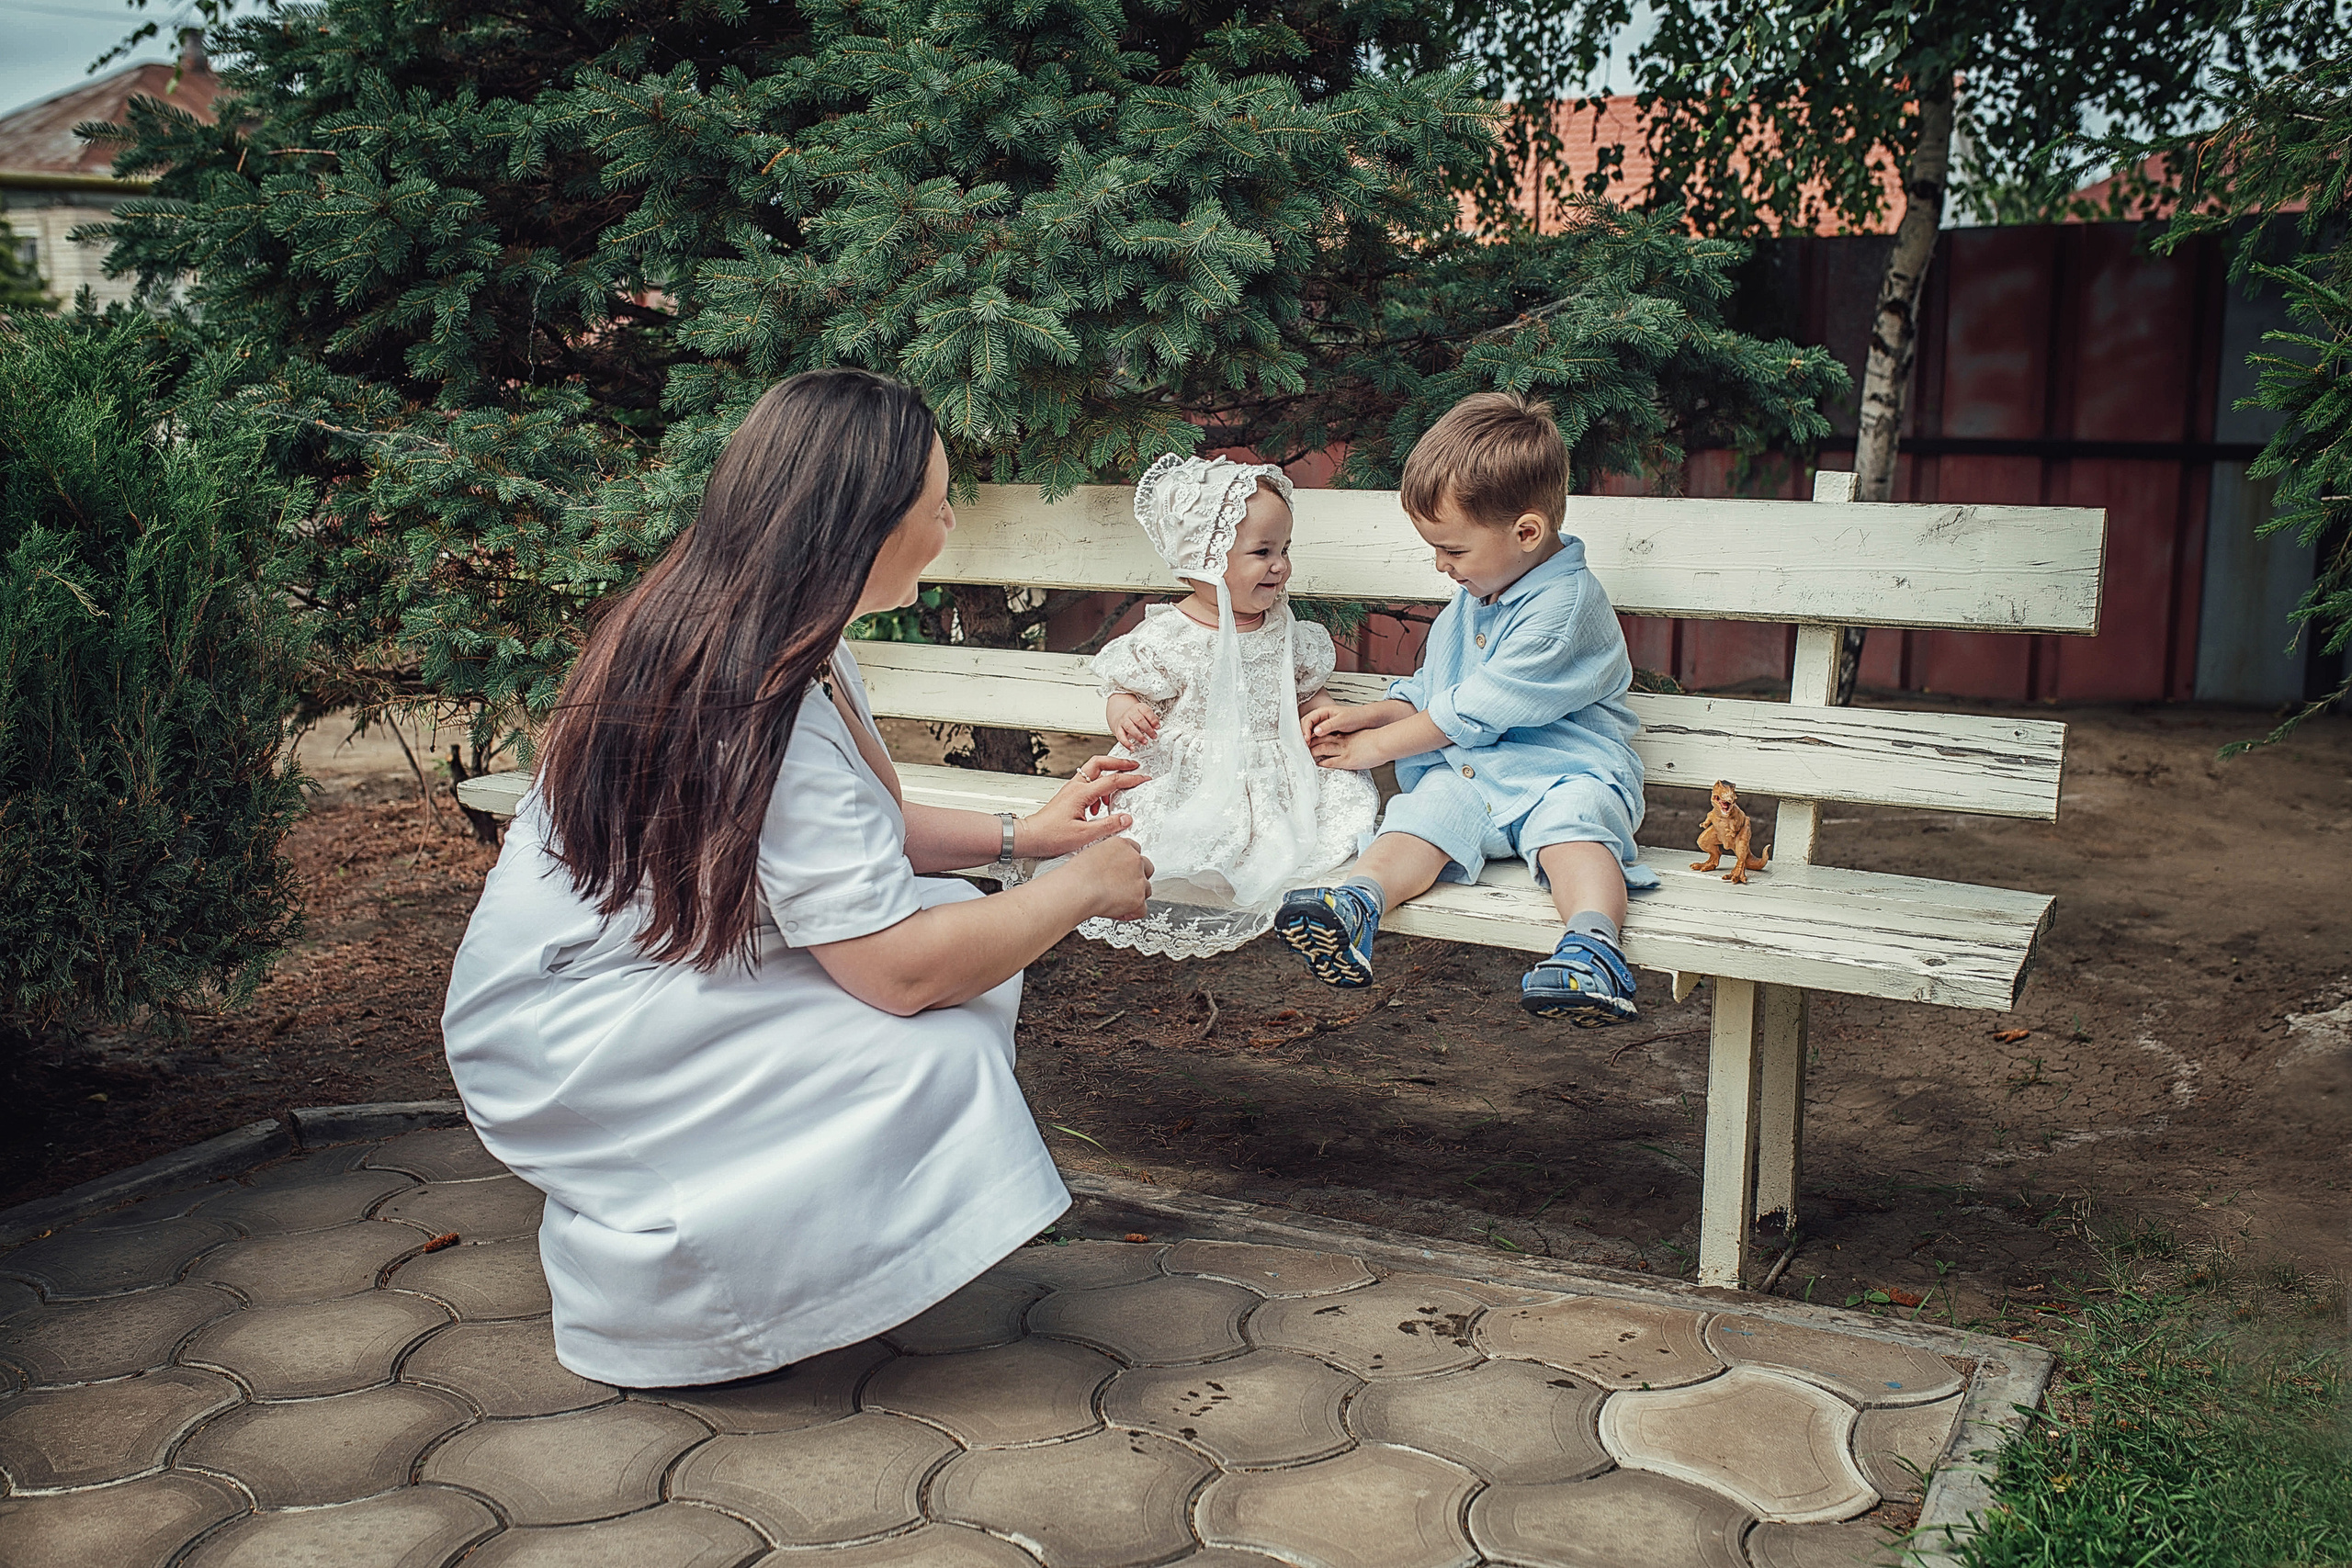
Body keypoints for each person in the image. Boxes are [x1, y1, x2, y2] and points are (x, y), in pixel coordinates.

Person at [439, 369, 1152, 1387]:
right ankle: (688, 1302)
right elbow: (898, 973)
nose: (951, 517)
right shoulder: (759, 699)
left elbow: (852, 836)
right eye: (934, 500)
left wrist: (1021, 839)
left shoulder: (775, 638)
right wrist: (1082, 888)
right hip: (569, 1037)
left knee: (959, 928)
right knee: (927, 1050)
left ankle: (754, 1256)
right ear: (860, 525)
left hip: (606, 983)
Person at [1272, 391, 1657, 1024]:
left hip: (1563, 772)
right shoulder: (1483, 590)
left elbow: (1477, 709)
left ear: (1526, 532)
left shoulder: (1564, 606)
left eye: (1453, 550)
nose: (1441, 565)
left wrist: (1374, 749)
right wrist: (1372, 715)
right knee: (1421, 813)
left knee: (1578, 827)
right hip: (1477, 775)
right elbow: (1439, 692)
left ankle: (1594, 947)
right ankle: (1358, 904)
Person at [1074, 454, 1379, 959]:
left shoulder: (1285, 629)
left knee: (1310, 823)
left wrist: (1323, 717)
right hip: (1193, 770)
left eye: (1284, 549)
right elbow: (1121, 688)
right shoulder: (1171, 635)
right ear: (1206, 560)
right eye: (1263, 551)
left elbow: (1305, 693)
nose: (1280, 565)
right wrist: (1124, 712)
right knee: (1187, 828)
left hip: (1272, 767)